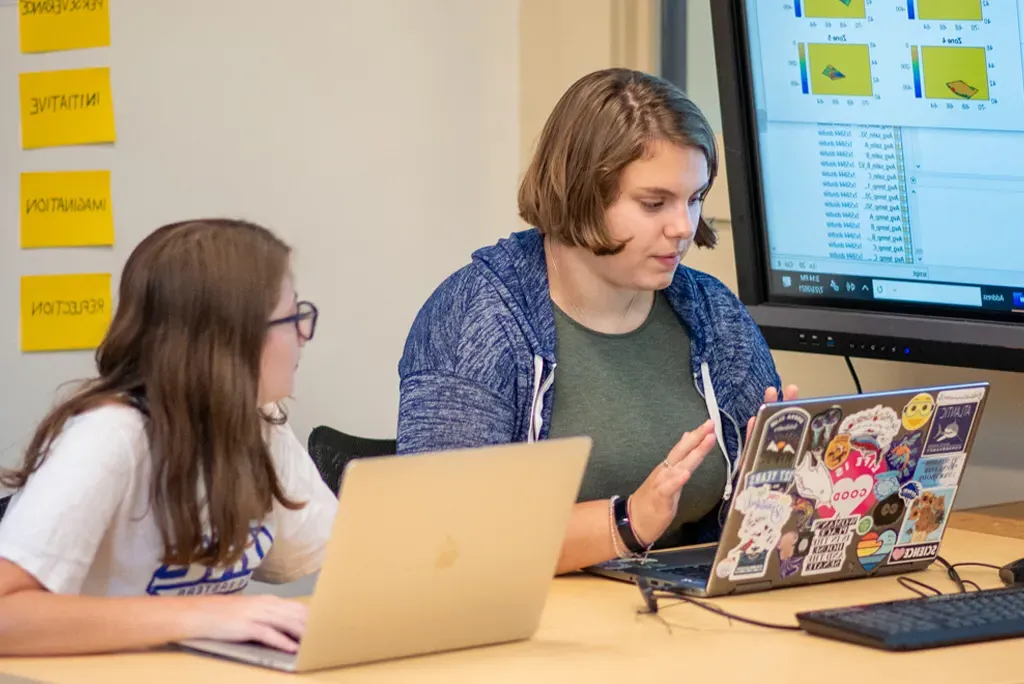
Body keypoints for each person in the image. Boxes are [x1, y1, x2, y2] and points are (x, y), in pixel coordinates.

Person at [398, 68, 797, 574]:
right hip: (526, 629)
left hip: (682, 619)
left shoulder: (712, 314)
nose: (683, 227)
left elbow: (756, 526)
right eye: (654, 203)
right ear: (581, 193)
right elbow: (447, 538)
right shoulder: (475, 319)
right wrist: (627, 523)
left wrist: (782, 468)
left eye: (694, 199)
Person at [0, 219, 337, 656]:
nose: (303, 336)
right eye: (293, 318)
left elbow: (323, 553)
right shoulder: (110, 436)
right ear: (230, 338)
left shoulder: (259, 423)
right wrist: (203, 616)